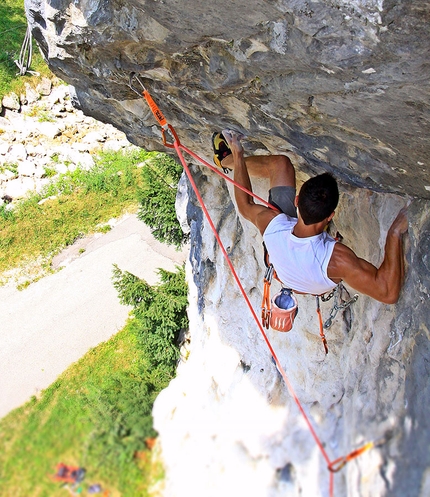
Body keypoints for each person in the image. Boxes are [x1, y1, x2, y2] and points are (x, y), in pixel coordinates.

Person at [212, 129, 408, 304]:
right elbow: (387, 293)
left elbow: (245, 205)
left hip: (285, 264)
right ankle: (227, 162)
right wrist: (395, 233)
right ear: (330, 216)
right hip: (305, 274)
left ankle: (230, 161)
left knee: (280, 164)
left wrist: (238, 152)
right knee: (280, 164)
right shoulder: (336, 260)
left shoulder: (273, 225)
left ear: (296, 201)